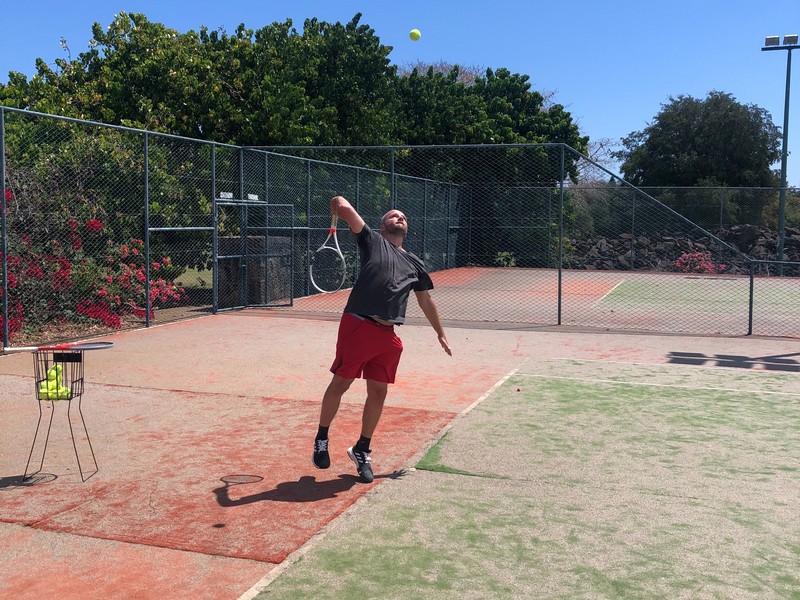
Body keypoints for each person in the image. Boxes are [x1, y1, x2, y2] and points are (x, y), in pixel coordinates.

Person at [312, 195, 452, 483]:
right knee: (342, 382)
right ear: (382, 225)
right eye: (393, 215)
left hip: (387, 335)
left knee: (378, 392)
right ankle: (322, 437)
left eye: (403, 216)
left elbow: (425, 299)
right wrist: (337, 205)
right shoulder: (371, 240)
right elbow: (344, 205)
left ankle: (362, 449)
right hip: (358, 323)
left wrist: (440, 331)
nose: (399, 217)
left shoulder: (414, 262)